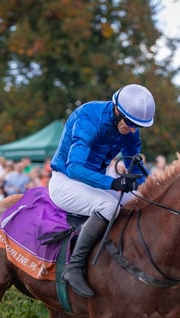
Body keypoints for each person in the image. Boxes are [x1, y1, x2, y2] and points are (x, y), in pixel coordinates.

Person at [48, 84, 155, 297]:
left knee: (140, 202)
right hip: (66, 181)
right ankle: (74, 267)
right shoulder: (88, 118)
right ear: (117, 111)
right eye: (130, 124)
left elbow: (134, 160)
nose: (133, 129)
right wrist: (112, 183)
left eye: (137, 126)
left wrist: (150, 189)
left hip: (94, 182)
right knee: (108, 206)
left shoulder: (131, 128)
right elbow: (75, 168)